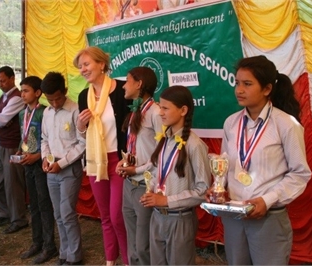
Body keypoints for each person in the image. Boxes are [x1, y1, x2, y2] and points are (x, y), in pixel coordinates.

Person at [211, 55, 312, 265]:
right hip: (234, 216)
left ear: (266, 89)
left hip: (268, 218)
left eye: (247, 84)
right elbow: (225, 164)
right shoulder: (231, 123)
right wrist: (218, 188)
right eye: (237, 83)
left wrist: (266, 201)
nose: (239, 90)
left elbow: (300, 174)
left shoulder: (285, 124)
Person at [139, 85, 211, 265]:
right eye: (159, 107)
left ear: (183, 110)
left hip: (180, 219)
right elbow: (158, 172)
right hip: (157, 216)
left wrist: (166, 201)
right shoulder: (164, 140)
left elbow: (203, 191)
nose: (160, 112)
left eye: (165, 108)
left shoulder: (194, 145)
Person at [74, 46, 131, 266]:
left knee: (118, 216)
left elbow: (131, 128)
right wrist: (80, 125)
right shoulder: (83, 96)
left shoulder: (121, 90)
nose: (83, 70)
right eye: (80, 67)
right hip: (95, 162)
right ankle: (110, 260)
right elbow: (82, 134)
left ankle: (127, 260)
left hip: (118, 162)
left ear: (102, 64)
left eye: (86, 64)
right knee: (105, 216)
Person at [115, 67, 163, 265]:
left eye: (127, 80)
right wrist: (124, 161)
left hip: (146, 186)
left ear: (139, 83)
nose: (124, 85)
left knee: (143, 244)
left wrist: (137, 170)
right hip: (130, 184)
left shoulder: (156, 113)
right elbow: (136, 147)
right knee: (133, 242)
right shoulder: (135, 109)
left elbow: (161, 154)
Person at [41, 72, 85, 265]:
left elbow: (82, 143)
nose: (55, 103)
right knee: (58, 214)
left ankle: (75, 256)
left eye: (58, 98)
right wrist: (45, 159)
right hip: (52, 168)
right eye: (50, 100)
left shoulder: (75, 110)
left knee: (67, 213)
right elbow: (44, 139)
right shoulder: (47, 112)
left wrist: (62, 163)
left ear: (65, 91)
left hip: (69, 169)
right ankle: (64, 252)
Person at [16, 76, 57, 264]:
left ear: (38, 93)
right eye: (21, 90)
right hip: (27, 164)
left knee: (44, 204)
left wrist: (38, 155)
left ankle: (49, 246)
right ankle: (36, 242)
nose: (22, 94)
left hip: (41, 164)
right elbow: (24, 137)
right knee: (33, 204)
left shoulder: (44, 113)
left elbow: (48, 139)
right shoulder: (21, 113)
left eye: (26, 90)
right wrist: (19, 151)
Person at [0, 65, 27, 234]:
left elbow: (1, 120)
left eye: (3, 80)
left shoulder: (17, 97)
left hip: (12, 146)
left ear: (12, 78)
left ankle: (18, 218)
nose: (0, 84)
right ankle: (4, 212)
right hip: (1, 144)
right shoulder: (2, 98)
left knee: (13, 184)